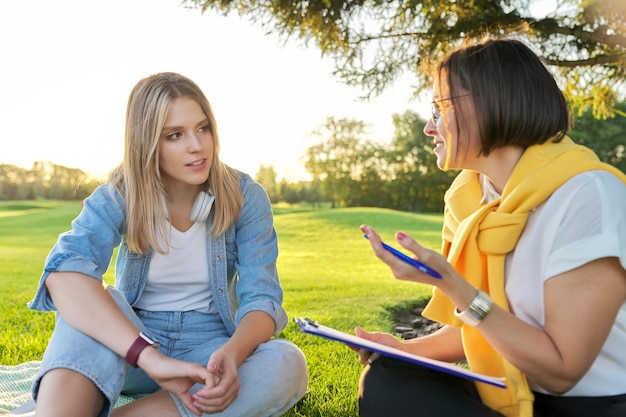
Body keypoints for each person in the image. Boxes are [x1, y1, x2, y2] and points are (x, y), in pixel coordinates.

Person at [355, 37, 626, 417]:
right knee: (388, 376)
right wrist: (400, 349)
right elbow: (485, 332)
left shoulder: (587, 194)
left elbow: (562, 370)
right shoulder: (468, 199)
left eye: (438, 109)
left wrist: (454, 285)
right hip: (505, 383)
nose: (428, 129)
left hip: (585, 405)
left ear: (487, 103)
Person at [25, 72, 308, 417]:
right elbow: (65, 270)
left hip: (211, 349)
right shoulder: (122, 192)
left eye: (203, 128)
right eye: (175, 135)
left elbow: (262, 300)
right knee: (88, 302)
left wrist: (233, 354)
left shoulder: (246, 196)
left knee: (286, 361)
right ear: (147, 144)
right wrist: (150, 357)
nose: (197, 146)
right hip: (136, 344)